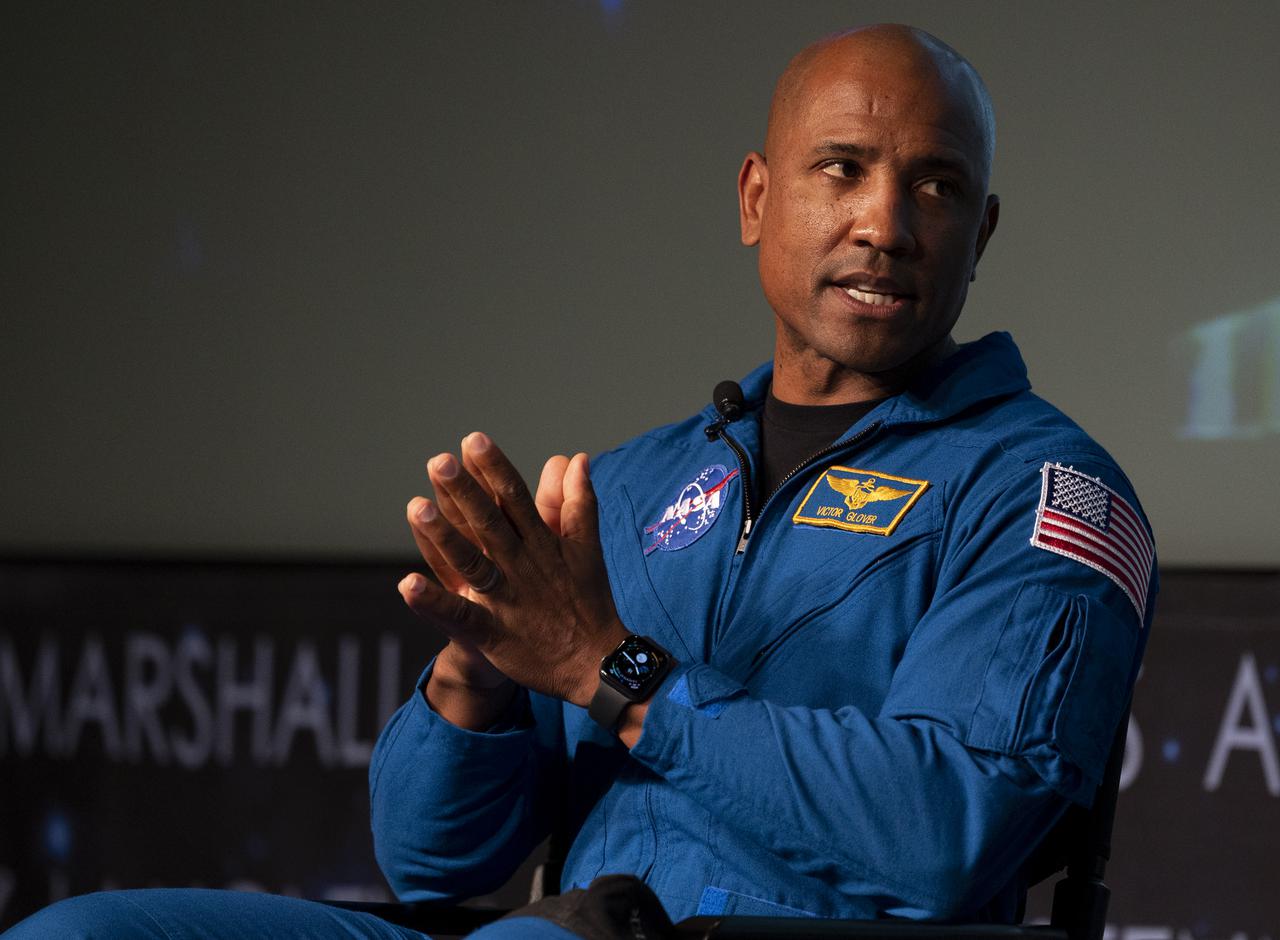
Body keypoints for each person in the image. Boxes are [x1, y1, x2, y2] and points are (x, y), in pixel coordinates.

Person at [3, 23, 1155, 940]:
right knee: (83, 930)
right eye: (841, 169)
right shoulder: (638, 484)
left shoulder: (1040, 489)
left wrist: (611, 670)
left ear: (981, 232)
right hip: (564, 929)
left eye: (937, 187)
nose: (884, 222)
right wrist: (478, 673)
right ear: (757, 198)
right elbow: (434, 863)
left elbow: (942, 833)